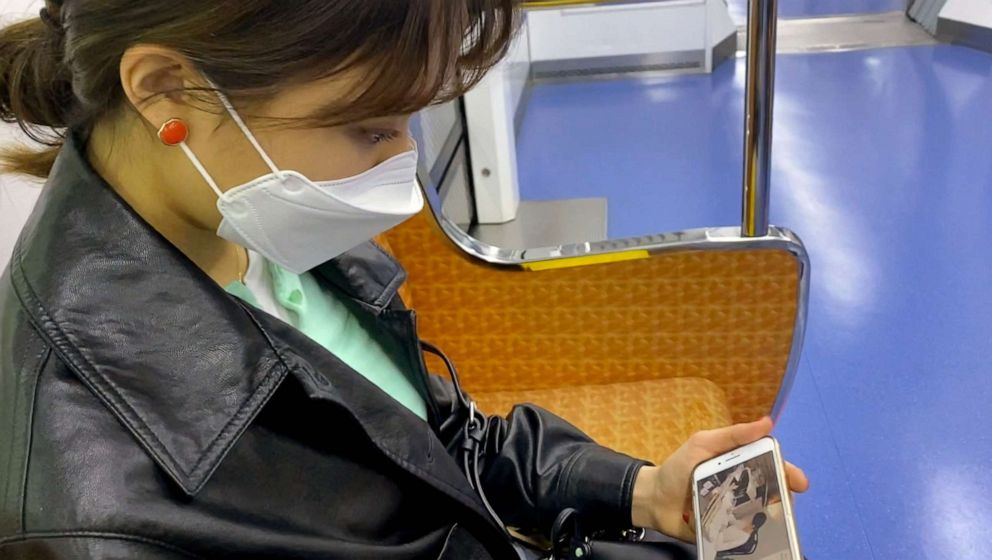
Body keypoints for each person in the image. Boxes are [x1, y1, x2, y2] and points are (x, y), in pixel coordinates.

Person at [0, 1, 809, 558]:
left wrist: (639, 490)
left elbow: (438, 441)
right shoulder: (101, 519)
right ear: (166, 90)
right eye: (370, 128)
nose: (402, 165)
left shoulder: (247, 209)